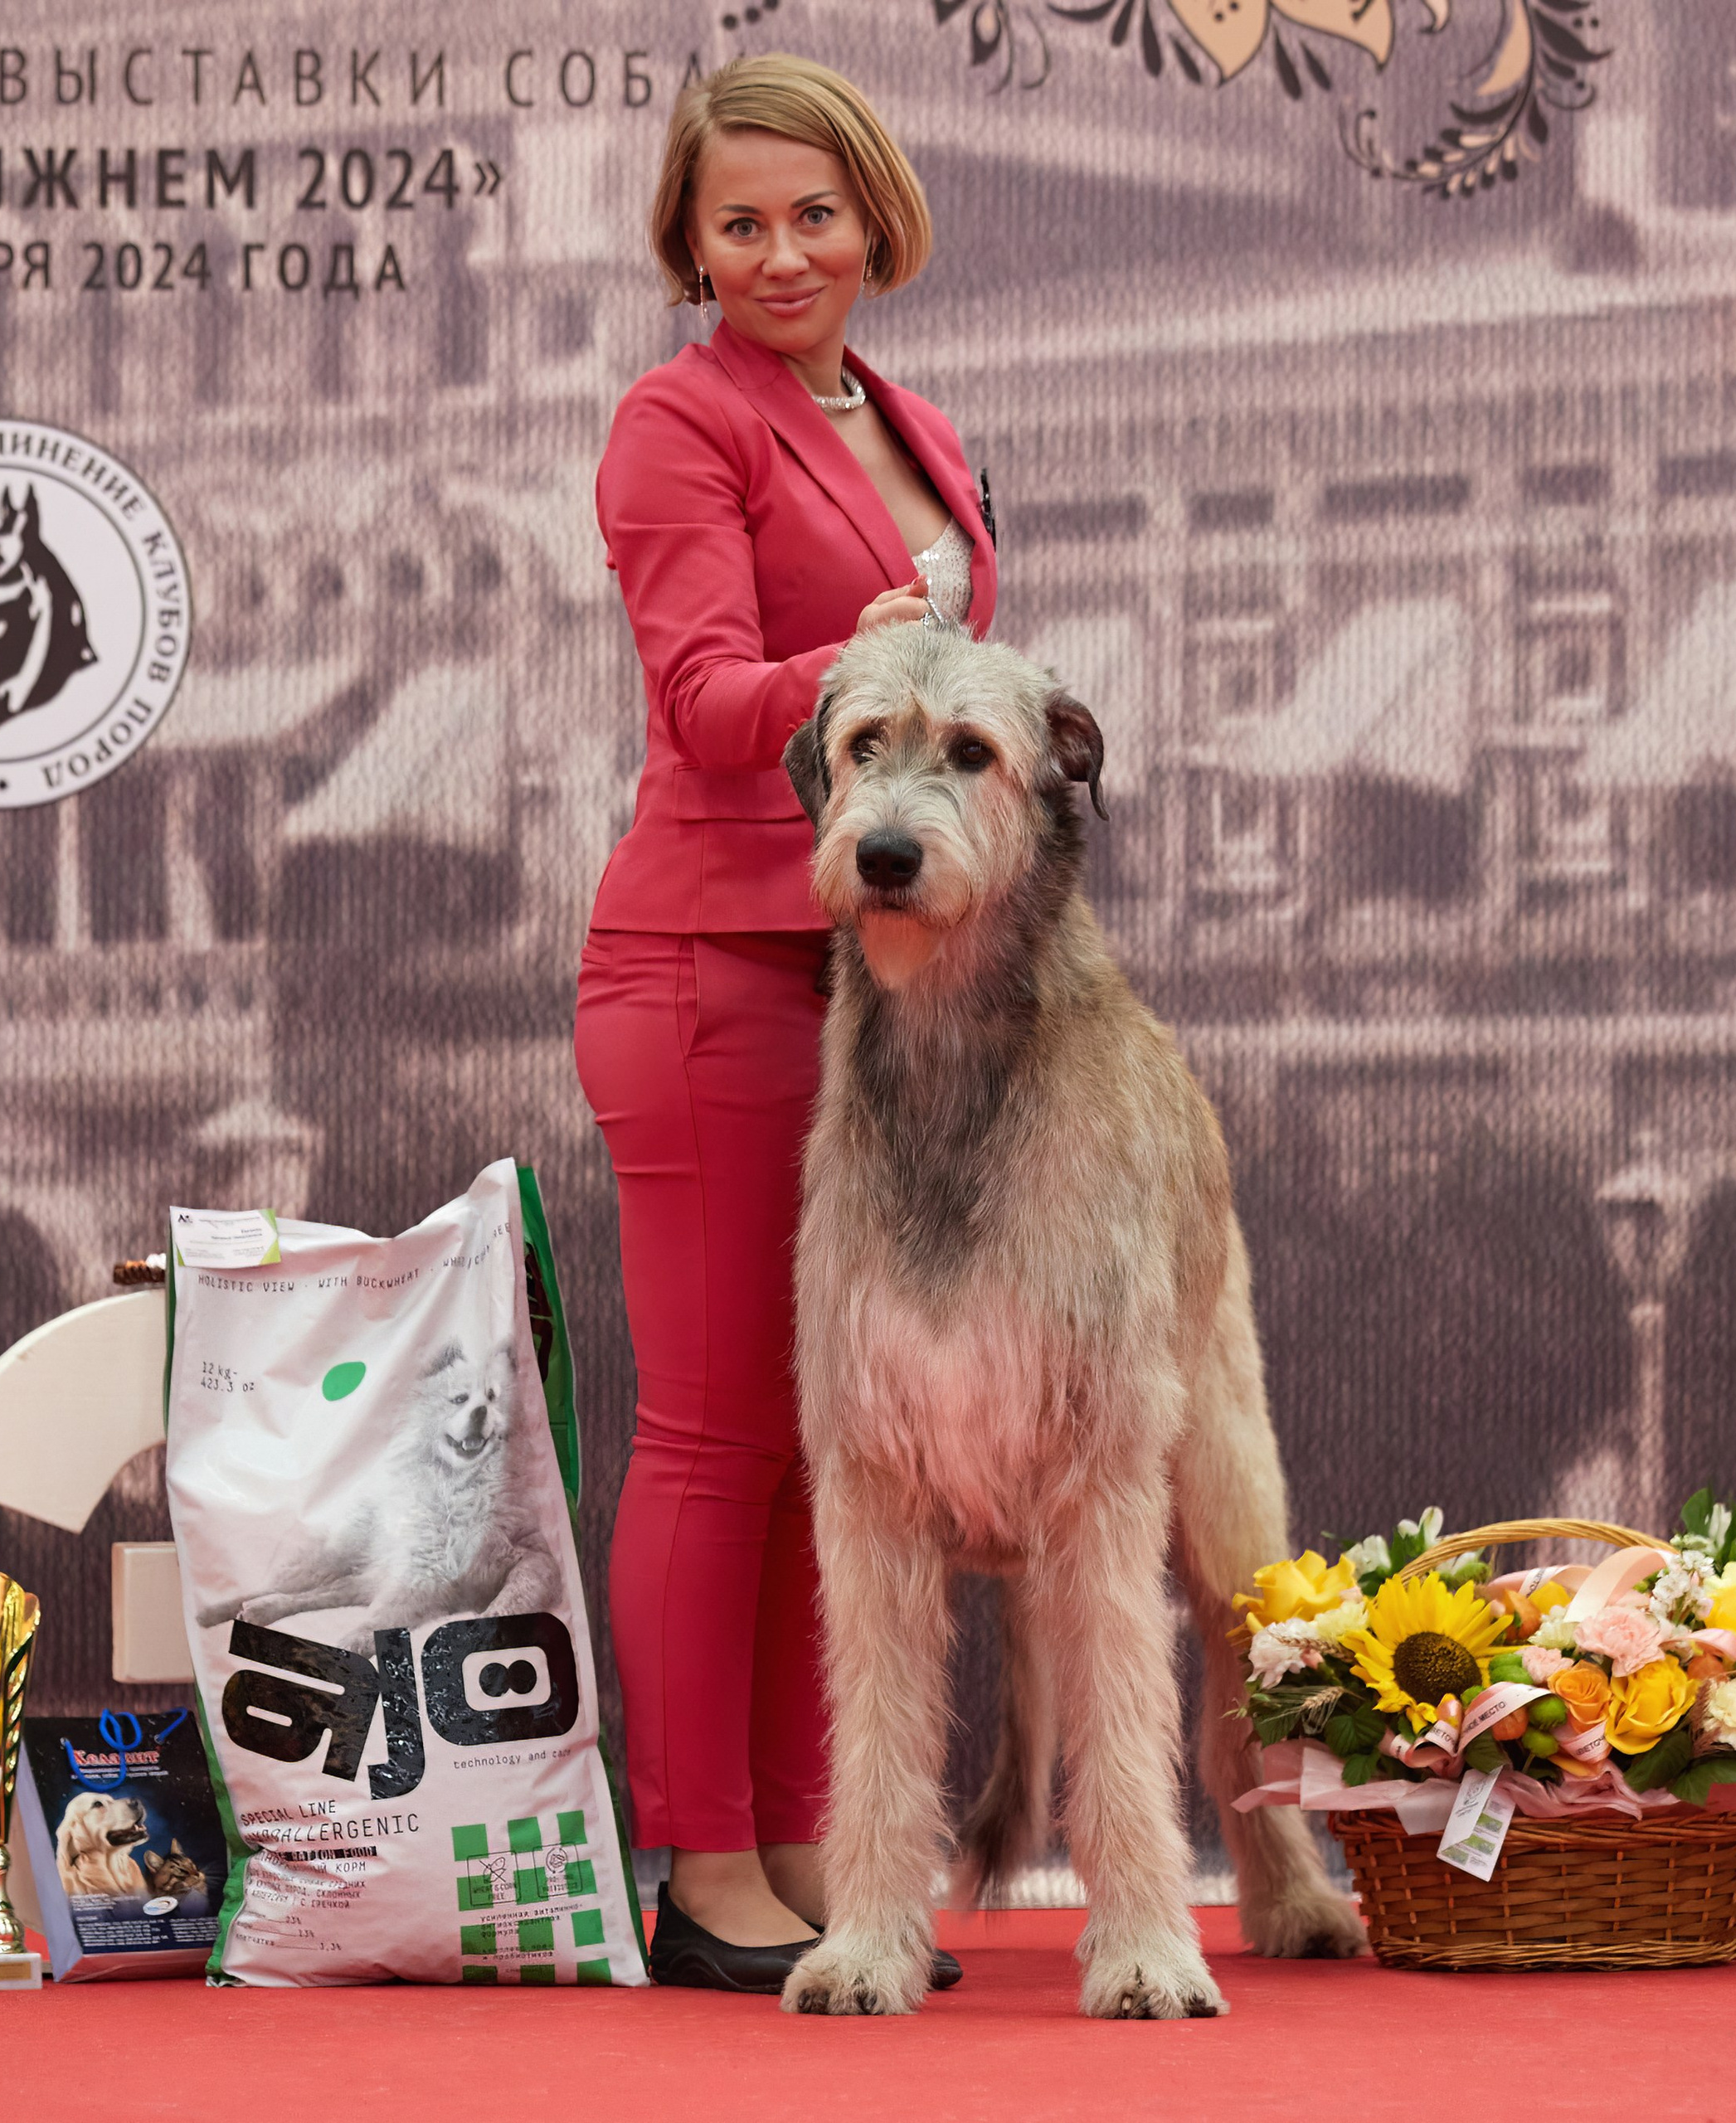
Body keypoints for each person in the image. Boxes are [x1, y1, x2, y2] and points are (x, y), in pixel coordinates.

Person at [575, 53, 997, 1992]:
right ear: (688, 240)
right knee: (714, 1433)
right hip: (706, 970)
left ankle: (820, 1835)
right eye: (734, 223)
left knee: (828, 1437)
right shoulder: (675, 422)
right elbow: (705, 696)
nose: (776, 253)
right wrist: (886, 654)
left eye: (809, 214)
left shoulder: (911, 421)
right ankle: (696, 1858)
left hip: (865, 990)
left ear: (872, 215)